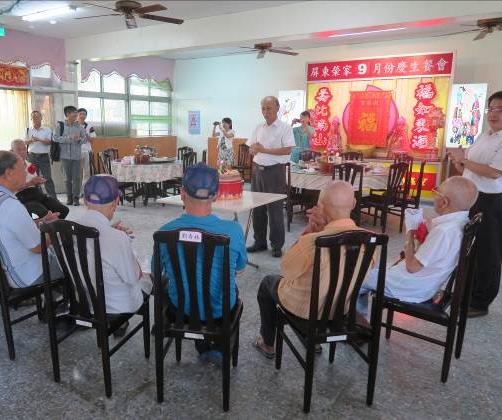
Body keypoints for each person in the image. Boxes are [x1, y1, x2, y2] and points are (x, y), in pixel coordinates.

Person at [253, 181, 366, 359]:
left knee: (268, 283)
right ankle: (312, 342)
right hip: (340, 309)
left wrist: (310, 230)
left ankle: (267, 342)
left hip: (306, 310)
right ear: (353, 204)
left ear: (320, 206)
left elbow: (287, 269)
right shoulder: (372, 241)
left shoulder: (313, 241)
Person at [155, 164, 247, 366]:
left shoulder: (164, 232)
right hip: (220, 312)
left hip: (181, 310)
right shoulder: (232, 231)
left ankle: (200, 344)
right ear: (216, 195)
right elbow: (239, 268)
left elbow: (156, 270)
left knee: (166, 285)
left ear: (181, 193)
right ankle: (219, 347)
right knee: (231, 287)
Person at [448, 91, 502, 317]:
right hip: (472, 197)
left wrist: (464, 159)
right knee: (468, 248)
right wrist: (458, 160)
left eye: (499, 109)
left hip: (492, 201)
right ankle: (465, 293)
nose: (492, 114)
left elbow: (494, 173)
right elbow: (468, 169)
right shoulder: (485, 136)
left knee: (488, 253)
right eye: (490, 109)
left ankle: (480, 302)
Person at [357, 176, 479, 314]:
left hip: (411, 286)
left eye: (436, 192)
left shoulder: (443, 231)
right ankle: (357, 317)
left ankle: (353, 322)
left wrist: (410, 231)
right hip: (427, 283)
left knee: (353, 276)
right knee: (369, 265)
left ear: (444, 202)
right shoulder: (461, 221)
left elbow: (412, 267)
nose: (434, 196)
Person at [0, 151, 61, 288]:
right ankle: (66, 303)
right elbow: (39, 247)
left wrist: (42, 221)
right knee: (78, 257)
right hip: (26, 274)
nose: (26, 173)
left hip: (0, 271)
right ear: (9, 173)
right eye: (22, 169)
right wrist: (54, 230)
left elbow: (7, 229)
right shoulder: (10, 206)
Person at [69, 175, 152, 315]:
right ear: (116, 202)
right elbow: (133, 278)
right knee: (148, 280)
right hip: (118, 305)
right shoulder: (117, 238)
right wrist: (124, 242)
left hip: (85, 302)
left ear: (85, 200)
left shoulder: (64, 231)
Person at [246, 96, 295, 257]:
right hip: (258, 172)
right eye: (263, 109)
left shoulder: (284, 128)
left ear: (277, 108)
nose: (265, 112)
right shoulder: (258, 127)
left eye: (269, 108)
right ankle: (259, 241)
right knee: (258, 209)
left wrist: (263, 150)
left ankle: (276, 245)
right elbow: (251, 148)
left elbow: (287, 150)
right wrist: (254, 150)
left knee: (274, 210)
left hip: (274, 172)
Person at [11, 139, 69, 219]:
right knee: (46, 214)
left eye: (24, 149)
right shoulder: (10, 169)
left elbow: (34, 182)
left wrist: (38, 181)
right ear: (12, 151)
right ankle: (42, 228)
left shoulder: (29, 164)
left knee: (64, 209)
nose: (22, 152)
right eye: (19, 150)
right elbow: (13, 188)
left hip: (36, 194)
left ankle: (52, 228)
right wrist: (30, 183)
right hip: (22, 197)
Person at [53, 105, 87, 206]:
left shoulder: (79, 127)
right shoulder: (60, 126)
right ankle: (69, 197)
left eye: (76, 112)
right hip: (64, 156)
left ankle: (76, 198)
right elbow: (55, 138)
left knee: (76, 178)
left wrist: (79, 139)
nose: (76, 114)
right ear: (67, 114)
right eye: (74, 112)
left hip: (77, 156)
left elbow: (85, 139)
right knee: (67, 178)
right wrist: (69, 138)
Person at [25, 110, 56, 198]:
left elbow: (49, 142)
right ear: (31, 118)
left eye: (37, 117)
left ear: (41, 118)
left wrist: (39, 139)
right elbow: (24, 142)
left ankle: (53, 198)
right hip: (31, 157)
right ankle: (37, 197)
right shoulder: (28, 130)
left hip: (43, 157)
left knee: (47, 178)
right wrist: (31, 140)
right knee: (33, 178)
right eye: (33, 117)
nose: (35, 118)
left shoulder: (47, 129)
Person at [77, 108, 96, 194]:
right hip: (77, 152)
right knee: (77, 173)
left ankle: (85, 191)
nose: (82, 116)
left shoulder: (89, 126)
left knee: (87, 173)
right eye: (80, 114)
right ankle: (78, 192)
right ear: (77, 115)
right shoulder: (74, 126)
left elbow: (92, 140)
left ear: (86, 116)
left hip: (87, 152)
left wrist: (86, 135)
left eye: (84, 114)